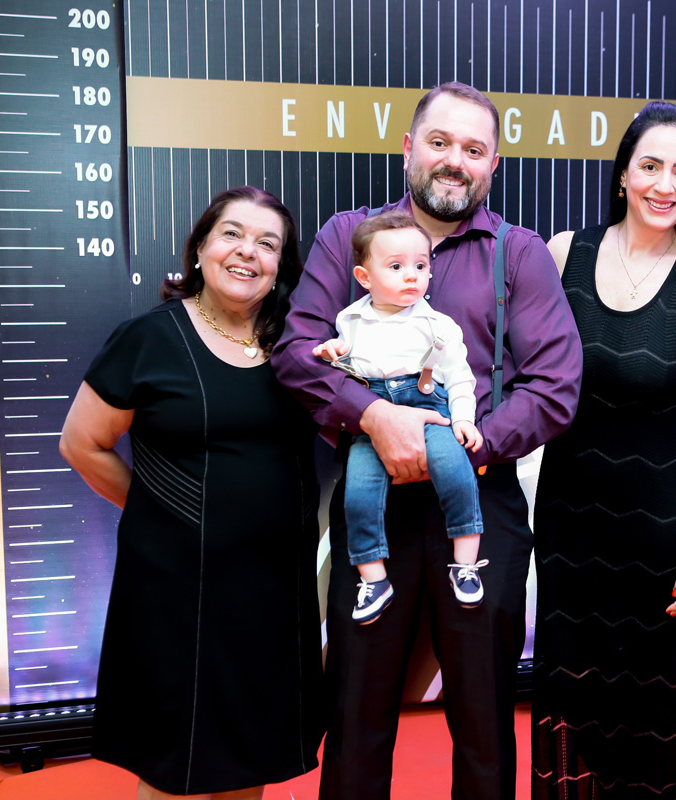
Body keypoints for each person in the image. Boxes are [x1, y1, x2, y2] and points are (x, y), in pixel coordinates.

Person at [272, 81, 583, 800]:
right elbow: (297, 352)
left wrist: (461, 449)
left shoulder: (519, 253)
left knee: (483, 718)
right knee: (356, 707)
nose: (454, 161)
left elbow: (555, 385)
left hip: (479, 497)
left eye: (474, 150)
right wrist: (377, 419)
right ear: (410, 148)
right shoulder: (348, 235)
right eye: (440, 143)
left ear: (493, 165)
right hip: (371, 500)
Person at [59, 186, 325, 800]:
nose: (247, 251)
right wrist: (166, 510)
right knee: (173, 763)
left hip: (273, 589)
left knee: (251, 755)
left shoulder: (298, 348)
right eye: (232, 234)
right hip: (174, 588)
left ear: (281, 267)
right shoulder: (147, 339)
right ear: (200, 248)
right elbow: (82, 444)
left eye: (268, 243)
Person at [533, 101, 676, 798]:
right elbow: (527, 377)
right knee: (578, 711)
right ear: (623, 173)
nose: (665, 184)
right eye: (650, 166)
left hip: (670, 536)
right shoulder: (564, 253)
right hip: (572, 530)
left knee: (664, 722)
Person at [311, 210, 487, 624]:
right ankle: (373, 578)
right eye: (396, 267)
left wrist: (463, 419)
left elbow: (460, 378)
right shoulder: (349, 320)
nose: (412, 276)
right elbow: (347, 370)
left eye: (420, 266)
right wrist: (332, 353)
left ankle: (465, 563)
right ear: (364, 277)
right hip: (373, 421)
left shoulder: (439, 325)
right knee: (358, 493)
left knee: (456, 472)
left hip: (430, 410)